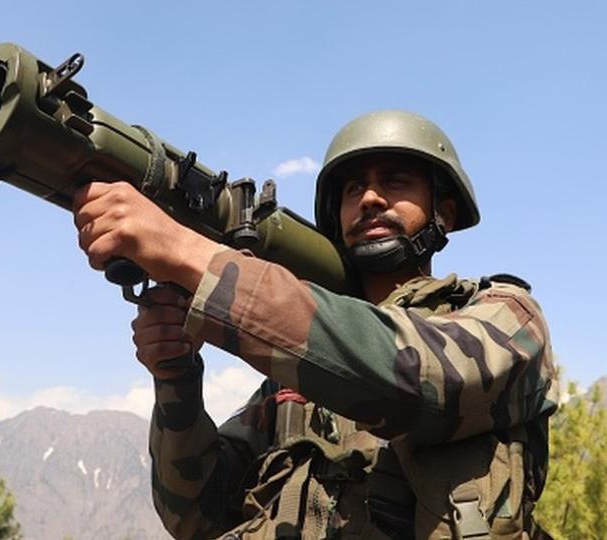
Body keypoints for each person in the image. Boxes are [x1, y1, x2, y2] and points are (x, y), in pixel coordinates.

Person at [72, 110, 559, 539]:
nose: (369, 198)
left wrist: (188, 254)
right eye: (353, 188)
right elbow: (194, 516)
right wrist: (176, 378)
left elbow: (408, 376)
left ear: (444, 213)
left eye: (395, 181)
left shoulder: (506, 318)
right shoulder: (290, 393)